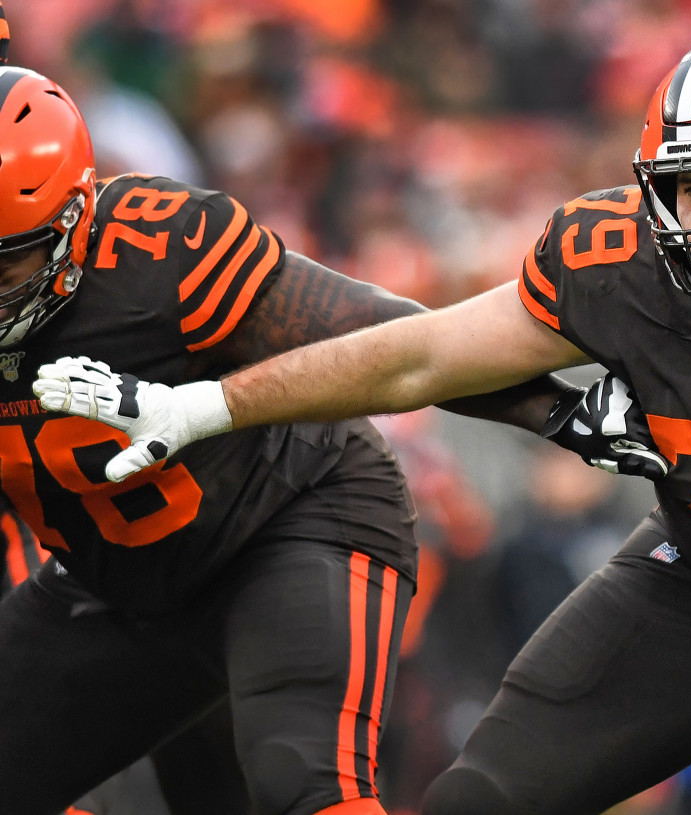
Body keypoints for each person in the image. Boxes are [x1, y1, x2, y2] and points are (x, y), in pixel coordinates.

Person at [32, 33, 691, 815]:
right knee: (478, 797)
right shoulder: (612, 259)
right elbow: (417, 353)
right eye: (688, 187)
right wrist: (202, 403)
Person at [0, 59, 648, 815]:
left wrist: (553, 411)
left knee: (303, 786)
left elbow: (390, 341)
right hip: (115, 581)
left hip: (288, 523)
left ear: (77, 217)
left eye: (6, 259)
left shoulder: (159, 252)